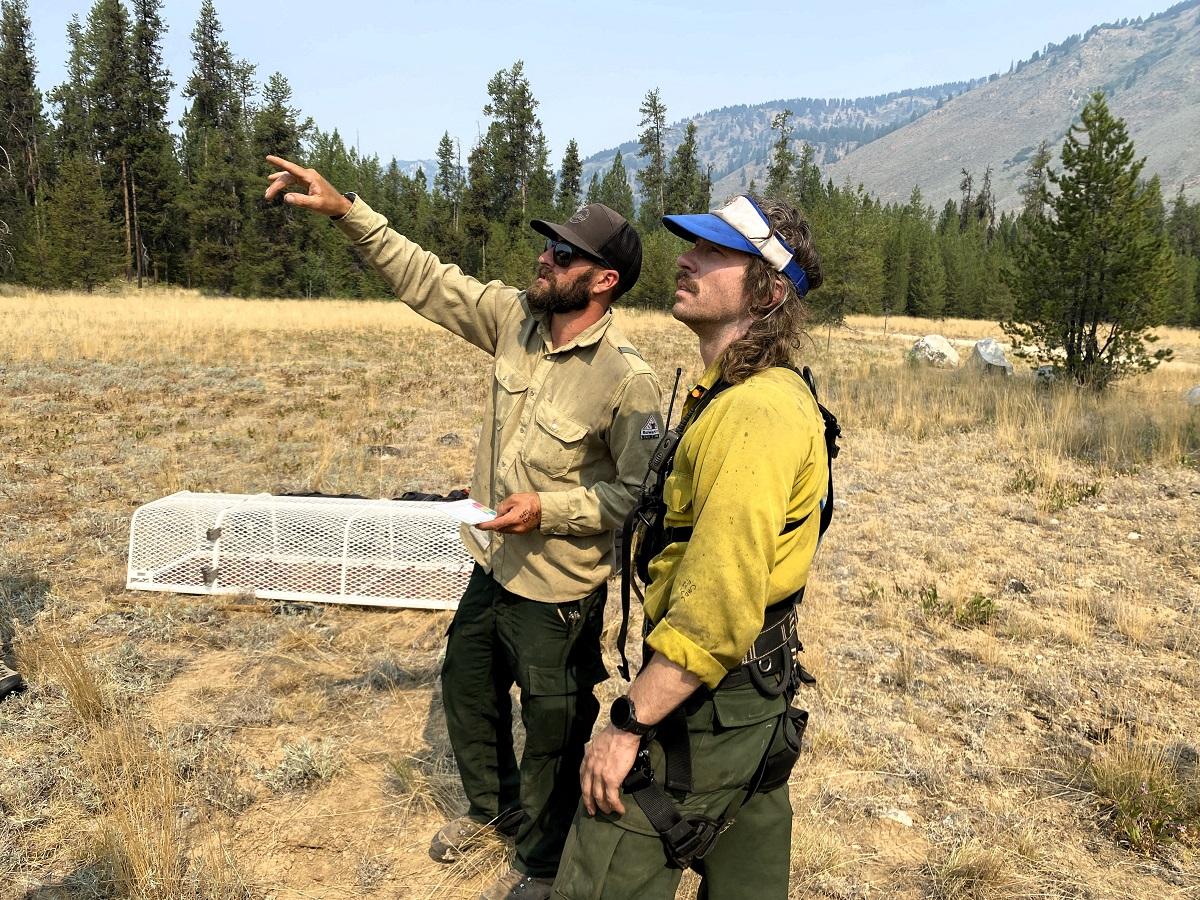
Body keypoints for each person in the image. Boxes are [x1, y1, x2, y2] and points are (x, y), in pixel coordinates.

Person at [264, 157, 664, 900]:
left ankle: (543, 863)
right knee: (467, 691)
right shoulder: (517, 321)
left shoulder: (627, 378)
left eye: (564, 252)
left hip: (558, 591)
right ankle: (493, 812)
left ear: (603, 279)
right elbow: (427, 279)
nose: (545, 257)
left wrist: (549, 509)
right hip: (491, 566)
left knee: (552, 727)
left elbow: (633, 494)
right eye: (548, 245)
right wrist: (346, 210)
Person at [551, 194, 832, 899]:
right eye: (691, 246)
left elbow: (713, 611)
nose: (685, 258)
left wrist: (625, 723)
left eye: (712, 252)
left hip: (707, 704)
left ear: (767, 290)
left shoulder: (754, 414)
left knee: (602, 858)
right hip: (752, 699)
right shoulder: (747, 391)